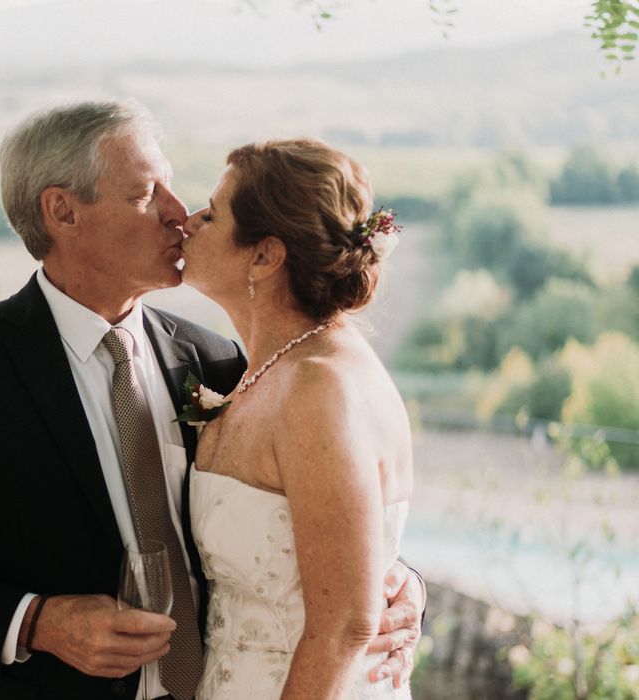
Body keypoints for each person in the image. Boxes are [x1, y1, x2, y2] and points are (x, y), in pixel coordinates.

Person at [0, 102, 422, 700]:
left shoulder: (219, 360)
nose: (177, 213)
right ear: (62, 211)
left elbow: (307, 532)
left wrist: (399, 584)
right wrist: (37, 622)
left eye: (173, 186)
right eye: (143, 194)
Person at [181, 138, 414, 698]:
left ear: (265, 255)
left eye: (212, 214)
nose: (188, 222)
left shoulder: (322, 389)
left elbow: (343, 628)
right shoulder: (265, 369)